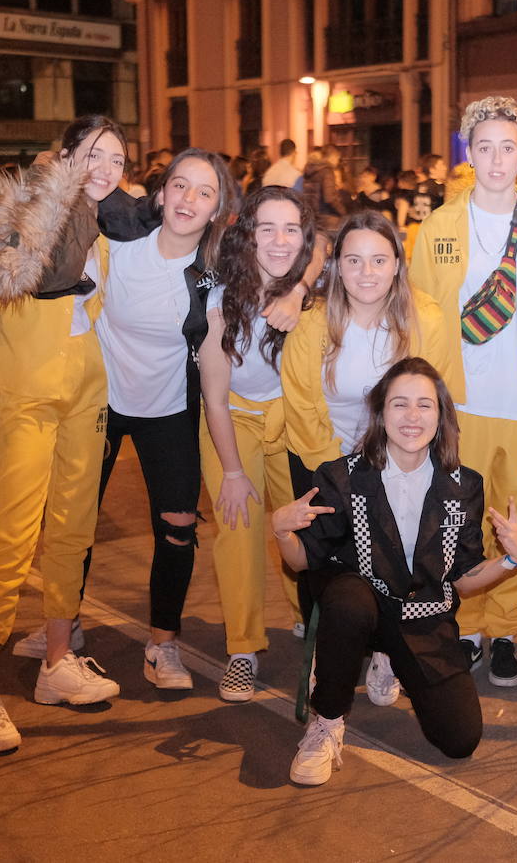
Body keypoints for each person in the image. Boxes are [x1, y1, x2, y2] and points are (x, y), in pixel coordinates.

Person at [9, 150, 239, 690]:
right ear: (159, 195)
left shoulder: (215, 275)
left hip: (171, 408)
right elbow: (50, 236)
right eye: (179, 186)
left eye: (204, 193)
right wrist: (53, 171)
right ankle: (65, 626)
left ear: (217, 209)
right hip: (100, 402)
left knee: (179, 528)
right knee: (75, 518)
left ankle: (163, 646)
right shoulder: (115, 248)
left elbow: (303, 251)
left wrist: (297, 289)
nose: (188, 200)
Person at [0, 115, 129, 753]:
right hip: (26, 392)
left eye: (117, 157)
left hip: (87, 394)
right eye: (95, 154)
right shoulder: (25, 214)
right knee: (12, 531)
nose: (106, 167)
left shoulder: (103, 230)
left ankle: (57, 663)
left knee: (74, 526)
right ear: (68, 154)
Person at [273, 358, 517, 785]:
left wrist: (510, 561)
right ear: (380, 413)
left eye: (425, 405)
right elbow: (303, 562)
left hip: (422, 617)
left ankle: (388, 659)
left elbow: (463, 579)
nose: (412, 417)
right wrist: (281, 532)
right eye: (400, 404)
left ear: (441, 415)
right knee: (347, 601)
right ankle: (327, 720)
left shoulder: (464, 486)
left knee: (460, 739)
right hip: (360, 605)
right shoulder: (341, 477)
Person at [410, 96, 517, 689]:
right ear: (468, 154)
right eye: (484, 148)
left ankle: (506, 632)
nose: (497, 160)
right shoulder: (440, 227)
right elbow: (420, 314)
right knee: (461, 519)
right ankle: (466, 625)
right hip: (461, 403)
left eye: (508, 148)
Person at [281, 211, 454, 705]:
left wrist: (390, 470)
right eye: (353, 260)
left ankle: (385, 648)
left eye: (379, 260)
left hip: (396, 460)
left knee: (396, 563)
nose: (367, 272)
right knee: (326, 570)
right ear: (336, 266)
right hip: (324, 461)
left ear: (398, 264)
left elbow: (428, 404)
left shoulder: (426, 319)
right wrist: (343, 478)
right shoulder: (313, 322)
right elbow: (300, 400)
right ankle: (327, 655)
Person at [199, 185, 315, 702]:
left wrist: (296, 292)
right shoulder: (222, 299)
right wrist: (232, 471)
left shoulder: (311, 286)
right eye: (266, 228)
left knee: (305, 521)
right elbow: (215, 398)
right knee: (240, 526)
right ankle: (243, 648)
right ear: (247, 236)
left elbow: (327, 250)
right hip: (234, 422)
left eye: (291, 228)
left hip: (291, 418)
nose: (280, 240)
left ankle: (307, 616)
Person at [302, 145, 348, 231]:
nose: (338, 162)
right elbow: (329, 198)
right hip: (328, 218)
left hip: (314, 217)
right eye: (338, 158)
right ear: (334, 156)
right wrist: (343, 212)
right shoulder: (327, 171)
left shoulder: (310, 170)